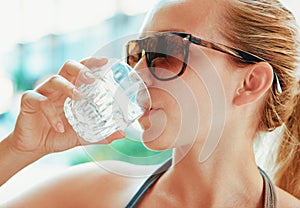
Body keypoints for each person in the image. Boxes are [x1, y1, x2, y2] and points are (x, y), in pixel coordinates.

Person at [0, 0, 299, 207]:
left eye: (165, 51)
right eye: (136, 54)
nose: (137, 73)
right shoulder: (93, 193)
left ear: (250, 83)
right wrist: (19, 149)